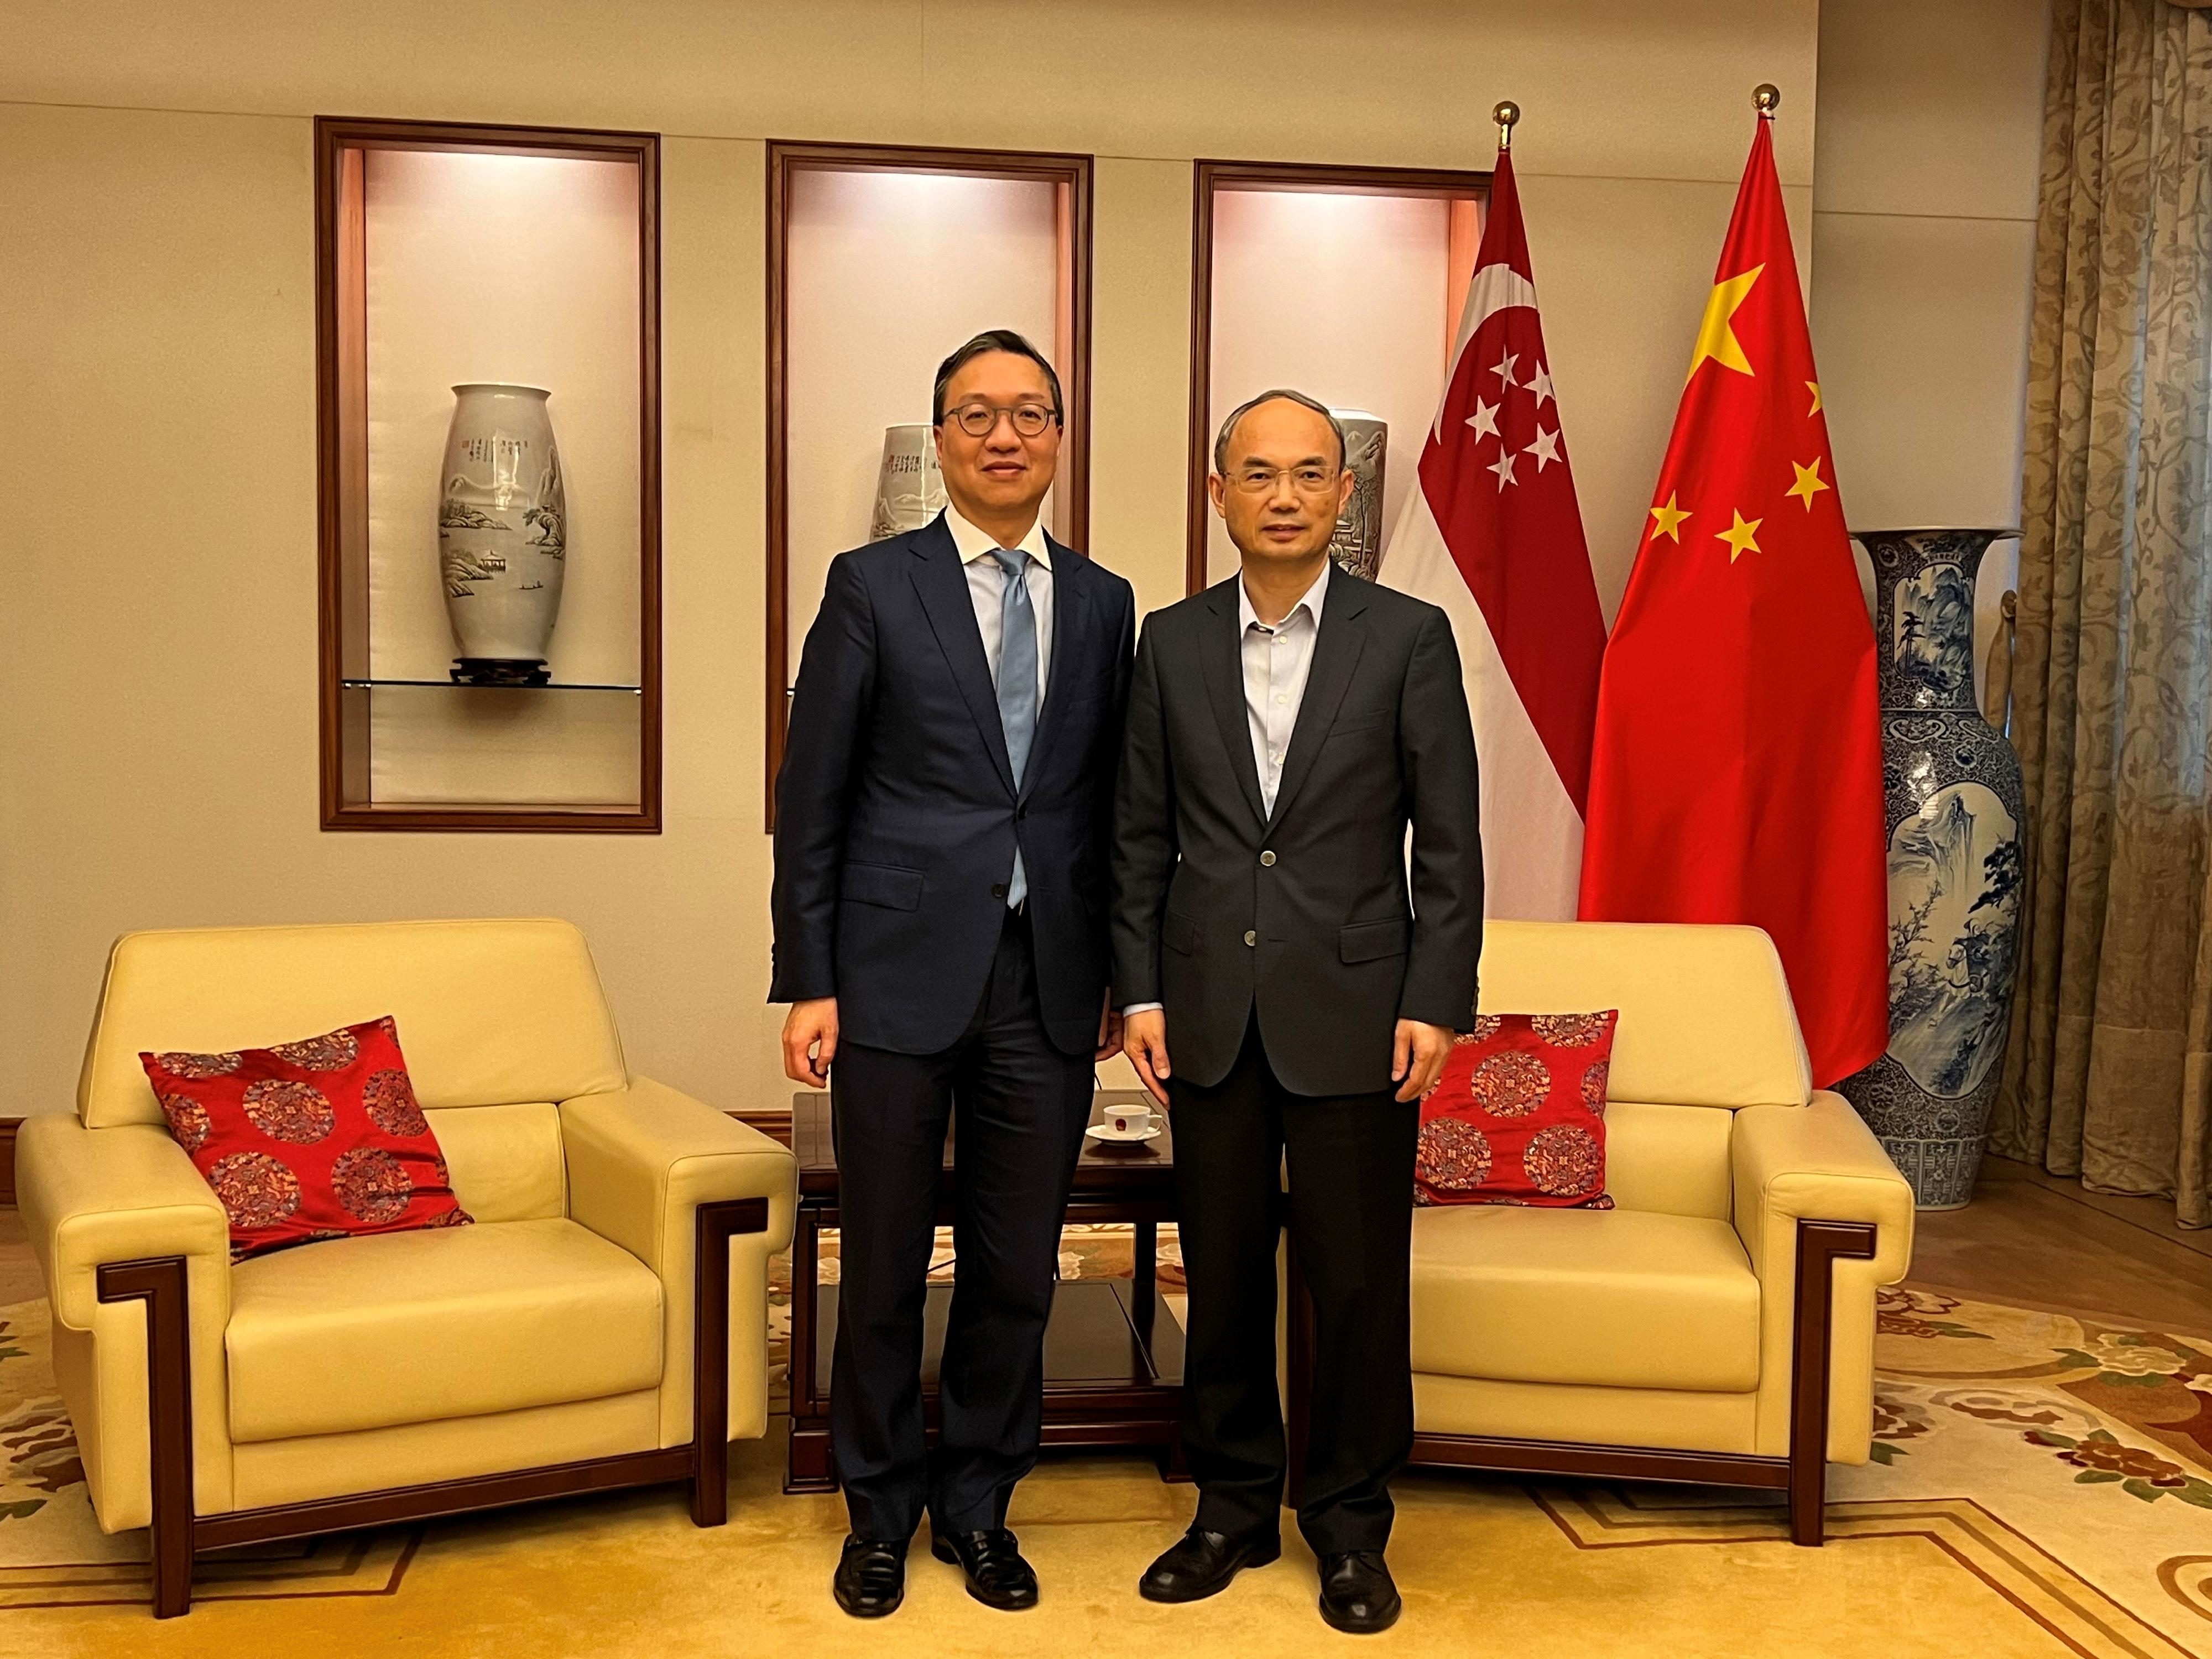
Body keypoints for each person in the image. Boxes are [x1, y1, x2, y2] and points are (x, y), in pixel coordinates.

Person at [771, 330, 1135, 1620]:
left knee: (1016, 1265)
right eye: (975, 415)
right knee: (874, 1263)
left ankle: (979, 1506)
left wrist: (1119, 976)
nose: (1003, 435)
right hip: (888, 977)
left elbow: (1106, 809)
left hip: (1044, 986)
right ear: (938, 441)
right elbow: (809, 793)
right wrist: (804, 975)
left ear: (1056, 438)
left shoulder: (1103, 602)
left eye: (1028, 414)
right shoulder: (872, 585)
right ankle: (877, 1513)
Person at [1111, 389, 1483, 1635]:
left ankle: (1348, 1525)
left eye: (1307, 475)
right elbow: (1138, 836)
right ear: (1217, 494)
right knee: (1217, 1276)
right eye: (1256, 474)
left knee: (1359, 1284)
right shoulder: (1165, 643)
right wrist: (1143, 994)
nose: (1281, 496)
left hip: (1360, 1016)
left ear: (1341, 496)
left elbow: (1449, 842)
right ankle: (1228, 1507)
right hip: (1209, 1011)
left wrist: (1436, 999)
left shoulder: (1408, 637)